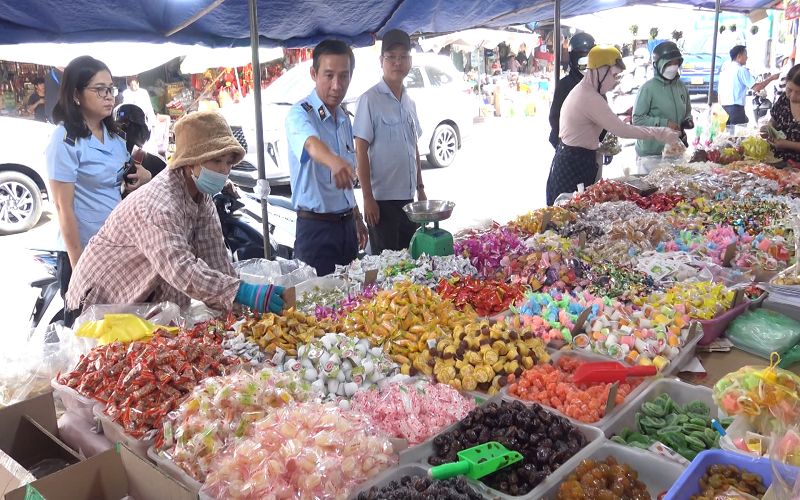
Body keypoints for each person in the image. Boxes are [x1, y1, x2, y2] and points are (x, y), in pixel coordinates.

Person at [65, 111, 285, 318]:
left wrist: (244, 310)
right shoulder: (158, 204)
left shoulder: (202, 197)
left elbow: (216, 259)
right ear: (191, 161)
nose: (224, 170)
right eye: (216, 160)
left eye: (228, 162)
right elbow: (181, 269)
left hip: (146, 305)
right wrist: (242, 292)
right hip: (100, 305)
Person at [46, 56, 151, 307]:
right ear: (76, 95)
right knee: (87, 332)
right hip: (83, 253)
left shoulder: (114, 136)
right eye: (99, 89)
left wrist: (144, 176)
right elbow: (63, 208)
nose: (109, 96)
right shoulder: (65, 140)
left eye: (111, 89)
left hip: (116, 248)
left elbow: (124, 175)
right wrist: (79, 267)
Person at [545, 46, 680, 206]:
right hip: (573, 165)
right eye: (613, 75)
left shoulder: (585, 90)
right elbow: (622, 130)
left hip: (574, 159)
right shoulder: (588, 97)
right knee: (571, 216)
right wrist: (660, 133)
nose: (614, 82)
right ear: (600, 71)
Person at [285, 39, 369, 276]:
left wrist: (356, 215)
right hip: (315, 231)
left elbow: (345, 181)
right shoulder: (300, 114)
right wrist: (334, 161)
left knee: (351, 303)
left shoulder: (343, 117)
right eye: (329, 75)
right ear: (314, 73)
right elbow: (311, 144)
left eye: (344, 76)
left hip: (346, 229)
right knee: (316, 307)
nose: (336, 85)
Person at [353, 29, 425, 255]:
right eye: (391, 56)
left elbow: (414, 148)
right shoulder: (369, 100)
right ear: (381, 60)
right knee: (387, 267)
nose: (397, 62)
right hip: (382, 203)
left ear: (410, 61)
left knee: (409, 263)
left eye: (403, 57)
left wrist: (421, 189)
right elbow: (360, 150)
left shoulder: (410, 102)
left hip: (408, 199)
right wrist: (367, 198)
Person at [633, 41, 694, 157]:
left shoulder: (681, 86)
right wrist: (665, 123)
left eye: (676, 62)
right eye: (669, 63)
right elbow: (638, 119)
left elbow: (687, 110)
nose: (673, 66)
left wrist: (687, 120)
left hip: (674, 150)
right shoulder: (648, 88)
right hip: (652, 152)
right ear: (658, 65)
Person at [549, 32, 596, 149]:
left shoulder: (597, 84)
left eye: (589, 55)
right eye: (582, 55)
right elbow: (555, 117)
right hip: (569, 148)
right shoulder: (564, 85)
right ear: (573, 58)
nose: (585, 60)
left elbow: (604, 116)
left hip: (593, 148)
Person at [718, 45, 779, 125]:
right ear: (739, 56)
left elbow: (719, 95)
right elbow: (756, 87)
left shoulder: (724, 72)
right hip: (736, 109)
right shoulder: (741, 71)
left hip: (723, 109)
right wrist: (772, 78)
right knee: (738, 135)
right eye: (745, 55)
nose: (747, 58)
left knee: (727, 134)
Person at [763, 65, 800, 164]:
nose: (792, 96)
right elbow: (773, 121)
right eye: (789, 90)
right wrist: (768, 129)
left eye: (798, 93)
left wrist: (788, 144)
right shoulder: (784, 100)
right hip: (775, 160)